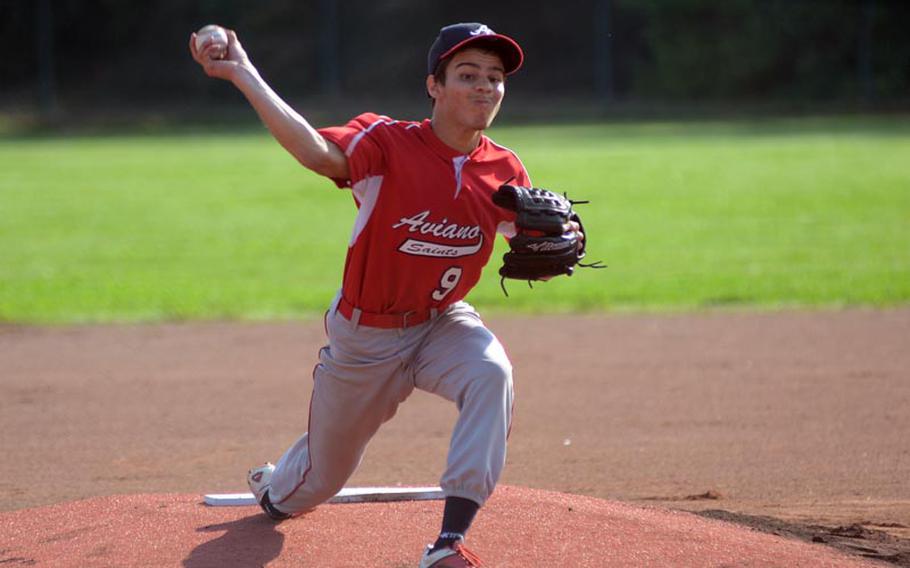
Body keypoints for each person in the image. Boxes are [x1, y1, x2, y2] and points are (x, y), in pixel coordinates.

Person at [190, 21, 581, 568]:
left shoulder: (505, 168)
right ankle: (275, 485)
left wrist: (556, 244)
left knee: (491, 373)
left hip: (444, 322)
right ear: (434, 87)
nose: (485, 87)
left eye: (495, 77)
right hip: (365, 339)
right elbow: (317, 153)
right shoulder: (387, 142)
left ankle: (447, 543)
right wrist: (243, 73)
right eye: (467, 75)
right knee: (313, 486)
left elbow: (532, 242)